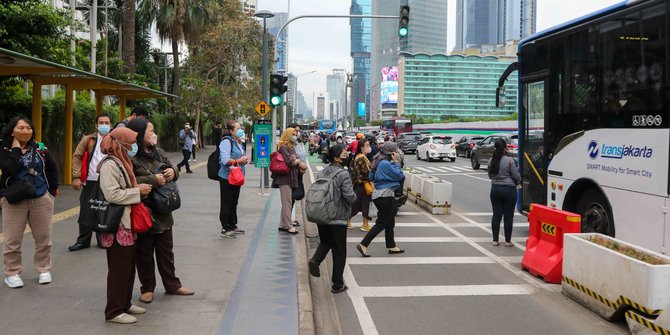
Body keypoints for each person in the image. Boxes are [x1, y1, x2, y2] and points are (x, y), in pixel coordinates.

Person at [127, 119, 195, 304]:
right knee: (144, 253)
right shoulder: (130, 156)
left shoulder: (158, 152)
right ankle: (147, 288)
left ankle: (172, 285)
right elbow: (130, 180)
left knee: (166, 252)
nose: (154, 134)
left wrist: (173, 171)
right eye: (151, 131)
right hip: (144, 211)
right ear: (140, 135)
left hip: (164, 210)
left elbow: (172, 168)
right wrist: (154, 179)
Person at [97, 127, 152, 324]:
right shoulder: (109, 165)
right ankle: (113, 311)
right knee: (119, 269)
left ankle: (125, 303)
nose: (134, 146)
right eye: (131, 142)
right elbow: (112, 194)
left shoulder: (122, 160)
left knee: (128, 268)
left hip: (127, 223)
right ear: (121, 143)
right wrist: (137, 192)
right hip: (118, 225)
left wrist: (136, 189)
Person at [0, 116, 59, 288]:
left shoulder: (40, 148)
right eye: (20, 128)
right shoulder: (4, 149)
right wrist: (16, 150)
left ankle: (43, 269)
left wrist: (51, 191)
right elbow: (8, 169)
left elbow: (52, 168)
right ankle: (12, 273)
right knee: (12, 239)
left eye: (28, 128)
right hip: (14, 199)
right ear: (12, 130)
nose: (25, 131)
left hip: (40, 197)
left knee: (44, 238)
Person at [307, 144, 357, 294]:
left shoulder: (322, 172)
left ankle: (315, 260)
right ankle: (337, 284)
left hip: (322, 215)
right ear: (337, 158)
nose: (347, 155)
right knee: (339, 251)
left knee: (326, 241)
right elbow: (349, 196)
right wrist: (355, 197)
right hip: (337, 218)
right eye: (344, 154)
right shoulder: (343, 174)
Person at [69, 113, 112, 251]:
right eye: (101, 122)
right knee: (86, 210)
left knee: (104, 209)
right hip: (90, 180)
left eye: (107, 122)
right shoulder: (88, 139)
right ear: (96, 125)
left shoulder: (115, 139)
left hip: (108, 182)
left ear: (111, 125)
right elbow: (77, 156)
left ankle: (102, 239)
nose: (104, 125)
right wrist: (76, 177)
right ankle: (83, 241)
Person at [356, 142, 405, 257]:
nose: (397, 152)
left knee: (390, 221)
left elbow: (371, 176)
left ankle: (391, 246)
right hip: (385, 195)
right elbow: (400, 176)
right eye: (395, 150)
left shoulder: (378, 160)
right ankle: (363, 244)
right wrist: (397, 162)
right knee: (382, 222)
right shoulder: (385, 163)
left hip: (382, 195)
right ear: (391, 152)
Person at [218, 120, 249, 239]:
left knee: (234, 201)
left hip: (237, 176)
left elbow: (239, 157)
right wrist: (238, 161)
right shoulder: (226, 142)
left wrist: (243, 160)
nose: (240, 130)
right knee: (226, 202)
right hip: (226, 177)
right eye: (238, 128)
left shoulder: (239, 142)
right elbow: (225, 160)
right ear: (231, 131)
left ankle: (233, 225)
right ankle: (225, 227)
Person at [487, 139, 520, 247]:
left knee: (496, 216)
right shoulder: (510, 161)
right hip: (509, 190)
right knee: (508, 217)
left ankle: (495, 240)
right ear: (505, 149)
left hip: (495, 190)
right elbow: (516, 176)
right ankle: (507, 241)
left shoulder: (491, 160)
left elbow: (490, 176)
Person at [272, 128, 303, 235]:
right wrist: (297, 161)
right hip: (284, 178)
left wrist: (295, 160)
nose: (295, 136)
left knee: (287, 202)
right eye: (293, 134)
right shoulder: (284, 147)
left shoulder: (291, 146)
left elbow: (293, 160)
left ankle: (283, 224)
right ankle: (289, 226)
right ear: (287, 135)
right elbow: (290, 162)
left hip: (290, 177)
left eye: (296, 134)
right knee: (287, 203)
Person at [348, 138, 373, 232]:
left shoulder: (359, 156)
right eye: (367, 145)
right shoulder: (361, 158)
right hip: (362, 184)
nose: (369, 147)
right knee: (361, 204)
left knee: (361, 204)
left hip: (360, 184)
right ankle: (364, 224)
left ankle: (364, 224)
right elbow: (366, 173)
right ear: (362, 148)